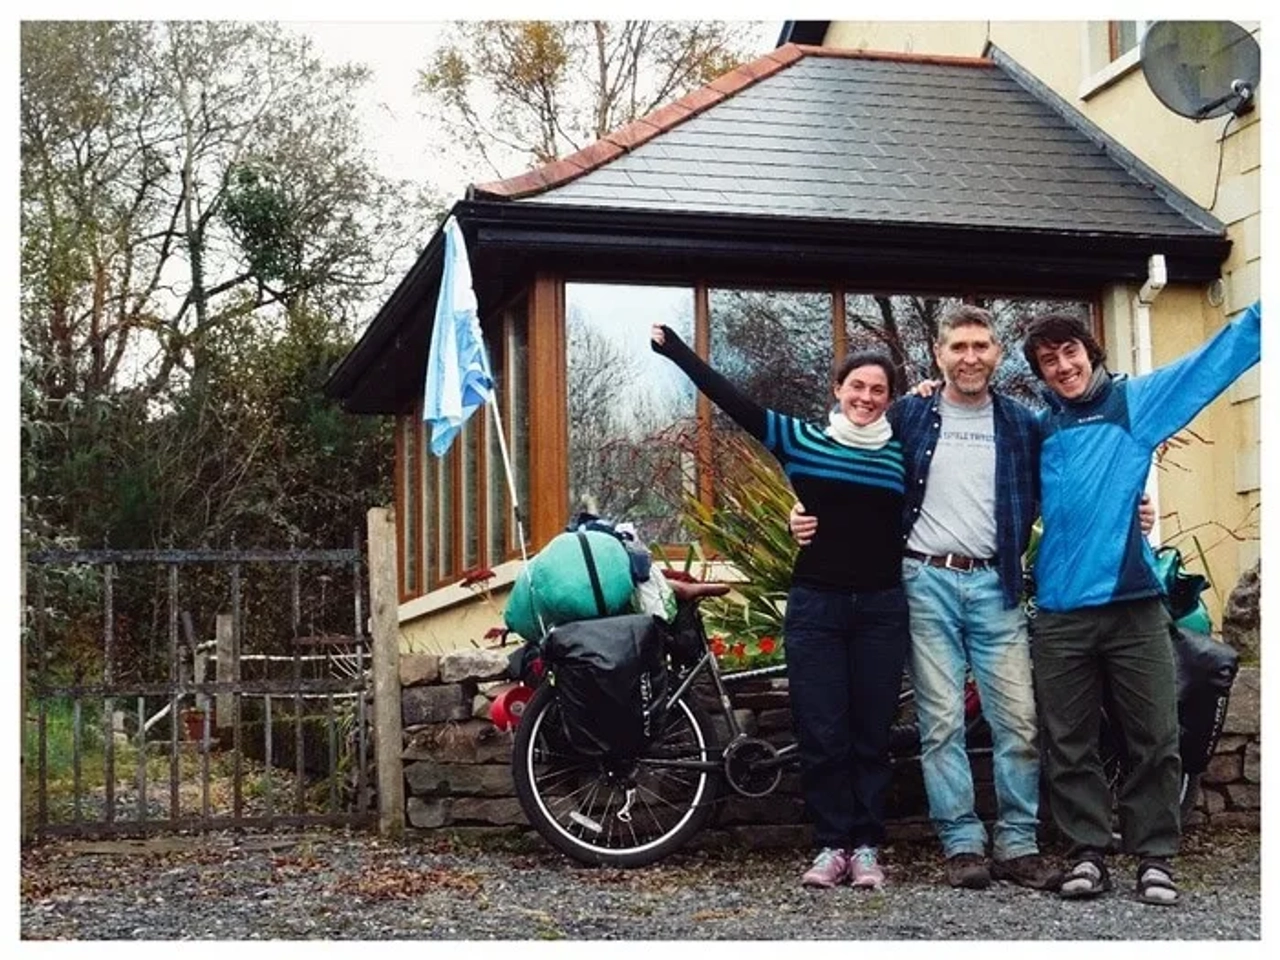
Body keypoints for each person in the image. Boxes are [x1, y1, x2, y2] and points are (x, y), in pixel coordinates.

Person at [792, 305, 1060, 891]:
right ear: (939, 354)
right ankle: (961, 842)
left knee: (1017, 720)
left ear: (996, 353)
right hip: (923, 580)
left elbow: (1068, 477)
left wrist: (1135, 511)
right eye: (958, 346)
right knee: (940, 723)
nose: (970, 356)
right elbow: (844, 458)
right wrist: (804, 511)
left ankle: (1018, 842)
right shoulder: (909, 414)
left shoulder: (1022, 424)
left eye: (981, 346)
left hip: (998, 582)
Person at [650, 324, 908, 890]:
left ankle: (866, 848)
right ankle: (828, 846)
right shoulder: (801, 441)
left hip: (883, 609)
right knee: (822, 732)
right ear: (837, 390)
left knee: (871, 733)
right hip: (817, 607)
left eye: (878, 391)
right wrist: (676, 352)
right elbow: (733, 400)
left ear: (890, 399)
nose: (866, 398)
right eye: (856, 387)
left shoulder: (902, 450)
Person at [1022, 301, 1260, 906]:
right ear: (1041, 374)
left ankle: (1155, 857)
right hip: (1059, 613)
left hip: (1133, 606)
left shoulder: (1134, 403)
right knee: (1068, 741)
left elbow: (1215, 360)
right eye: (1049, 361)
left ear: (1091, 353)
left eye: (1070, 352)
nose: (1063, 366)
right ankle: (1086, 855)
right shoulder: (1036, 429)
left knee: (1154, 734)